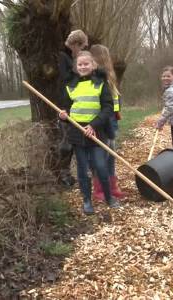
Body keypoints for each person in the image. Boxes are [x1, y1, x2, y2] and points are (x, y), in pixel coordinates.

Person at [59, 50, 120, 215]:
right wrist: (63, 115)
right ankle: (86, 200)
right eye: (80, 64)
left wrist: (93, 125)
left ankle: (109, 197)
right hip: (78, 132)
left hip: (97, 131)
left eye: (86, 64)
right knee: (83, 169)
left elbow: (108, 108)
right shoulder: (71, 85)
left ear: (93, 65)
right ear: (75, 67)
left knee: (100, 166)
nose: (83, 66)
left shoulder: (101, 83)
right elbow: (66, 108)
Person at [90, 44, 125, 201]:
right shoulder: (95, 78)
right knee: (102, 156)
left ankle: (112, 186)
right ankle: (99, 189)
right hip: (102, 122)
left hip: (112, 121)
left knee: (111, 155)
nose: (108, 60)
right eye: (105, 56)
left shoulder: (110, 77)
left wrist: (116, 115)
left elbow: (114, 101)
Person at [58, 30, 89, 187]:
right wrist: (78, 71)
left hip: (79, 105)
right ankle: (64, 174)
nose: (83, 48)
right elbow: (66, 78)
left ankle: (83, 173)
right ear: (75, 44)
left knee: (80, 140)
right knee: (66, 142)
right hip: (66, 105)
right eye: (82, 45)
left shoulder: (75, 58)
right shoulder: (64, 57)